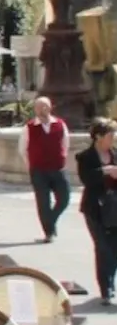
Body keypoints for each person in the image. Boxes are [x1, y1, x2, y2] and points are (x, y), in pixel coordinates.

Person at [76, 118, 117, 305]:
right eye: (110, 134)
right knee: (103, 248)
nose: (114, 138)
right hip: (95, 208)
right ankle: (106, 289)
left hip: (114, 207)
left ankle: (110, 280)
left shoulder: (115, 153)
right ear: (98, 137)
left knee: (114, 248)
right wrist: (105, 171)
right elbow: (86, 179)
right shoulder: (85, 157)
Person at [20, 96, 70, 242]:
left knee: (64, 198)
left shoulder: (60, 124)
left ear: (50, 107)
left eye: (45, 106)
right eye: (39, 107)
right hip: (38, 170)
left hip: (58, 169)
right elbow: (23, 149)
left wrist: (61, 159)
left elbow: (65, 144)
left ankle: (51, 221)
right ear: (34, 109)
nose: (42, 110)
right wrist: (32, 164)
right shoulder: (29, 127)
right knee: (43, 202)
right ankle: (49, 233)